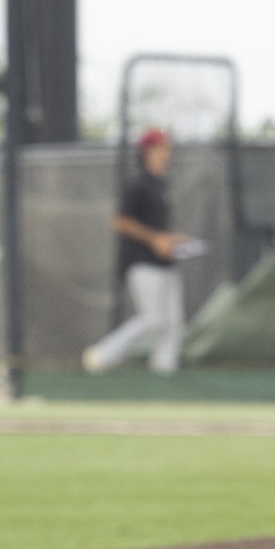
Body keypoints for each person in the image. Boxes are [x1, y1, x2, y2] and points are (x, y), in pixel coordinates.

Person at [84, 129, 189, 374]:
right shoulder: (137, 184)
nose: (167, 154)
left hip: (166, 264)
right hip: (142, 262)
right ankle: (102, 355)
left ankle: (164, 372)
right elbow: (120, 222)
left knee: (173, 324)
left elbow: (159, 227)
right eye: (162, 149)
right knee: (153, 319)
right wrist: (155, 239)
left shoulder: (162, 184)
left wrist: (173, 238)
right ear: (148, 152)